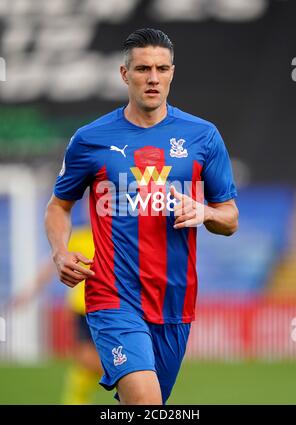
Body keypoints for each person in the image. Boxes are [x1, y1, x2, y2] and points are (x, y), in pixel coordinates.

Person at [45, 28, 239, 405]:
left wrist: (205, 212)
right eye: (143, 69)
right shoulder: (90, 138)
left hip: (174, 301)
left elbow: (230, 219)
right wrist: (59, 251)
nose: (153, 78)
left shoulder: (203, 136)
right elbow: (58, 205)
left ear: (172, 72)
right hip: (112, 295)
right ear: (124, 74)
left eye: (162, 69)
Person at [10, 225, 102, 405]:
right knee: (89, 361)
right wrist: (28, 293)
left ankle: (79, 390)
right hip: (81, 308)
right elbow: (52, 265)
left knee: (111, 364)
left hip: (111, 309)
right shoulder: (78, 236)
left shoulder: (115, 237)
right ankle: (76, 397)